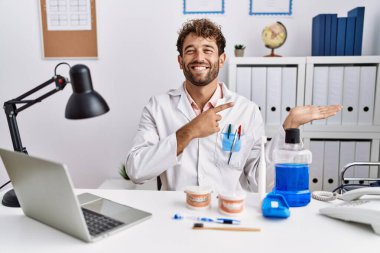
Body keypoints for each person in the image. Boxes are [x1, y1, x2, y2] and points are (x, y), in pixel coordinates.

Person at [126, 18, 341, 193]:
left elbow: (260, 183)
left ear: (221, 59)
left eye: (208, 50)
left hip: (228, 215)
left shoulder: (246, 111)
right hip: (175, 216)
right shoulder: (158, 107)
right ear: (180, 61)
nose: (199, 57)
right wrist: (190, 131)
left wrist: (289, 128)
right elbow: (136, 170)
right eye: (190, 50)